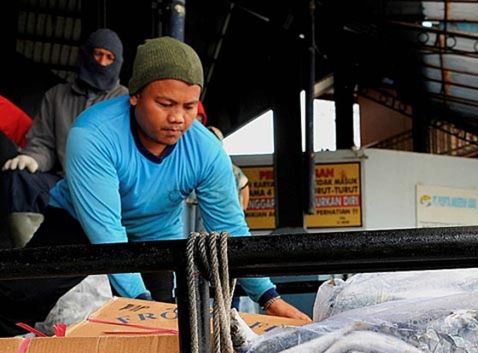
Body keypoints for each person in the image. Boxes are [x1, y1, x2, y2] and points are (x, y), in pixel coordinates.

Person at [0, 36, 309, 336]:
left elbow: (230, 228)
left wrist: (269, 298)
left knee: (166, 333)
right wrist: (141, 308)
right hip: (79, 223)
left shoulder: (206, 150)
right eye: (165, 103)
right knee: (16, 300)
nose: (177, 118)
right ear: (134, 95)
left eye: (189, 107)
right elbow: (107, 233)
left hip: (157, 234)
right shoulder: (93, 133)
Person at [1, 29, 128, 247]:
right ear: (86, 54)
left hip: (107, 187)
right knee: (18, 179)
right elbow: (44, 144)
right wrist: (32, 158)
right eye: (97, 54)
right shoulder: (56, 96)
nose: (102, 62)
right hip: (62, 182)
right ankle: (31, 259)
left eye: (109, 58)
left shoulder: (124, 101)